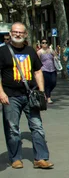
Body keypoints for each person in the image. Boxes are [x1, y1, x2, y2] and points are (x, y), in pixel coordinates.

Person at [0, 22, 53, 169]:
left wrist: (41, 92)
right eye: (15, 32)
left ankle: (41, 158)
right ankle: (15, 158)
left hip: (30, 95)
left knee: (37, 126)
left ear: (25, 35)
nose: (18, 34)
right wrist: (1, 93)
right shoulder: (2, 51)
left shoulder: (30, 51)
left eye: (21, 32)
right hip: (10, 96)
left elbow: (37, 71)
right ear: (10, 33)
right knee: (12, 128)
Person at [37, 39, 58, 104]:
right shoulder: (39, 52)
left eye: (46, 42)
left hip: (53, 69)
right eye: (43, 43)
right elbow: (37, 61)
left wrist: (55, 57)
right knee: (47, 84)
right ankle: (48, 98)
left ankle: (46, 93)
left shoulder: (51, 50)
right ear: (41, 44)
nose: (45, 44)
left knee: (53, 83)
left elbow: (56, 56)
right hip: (44, 70)